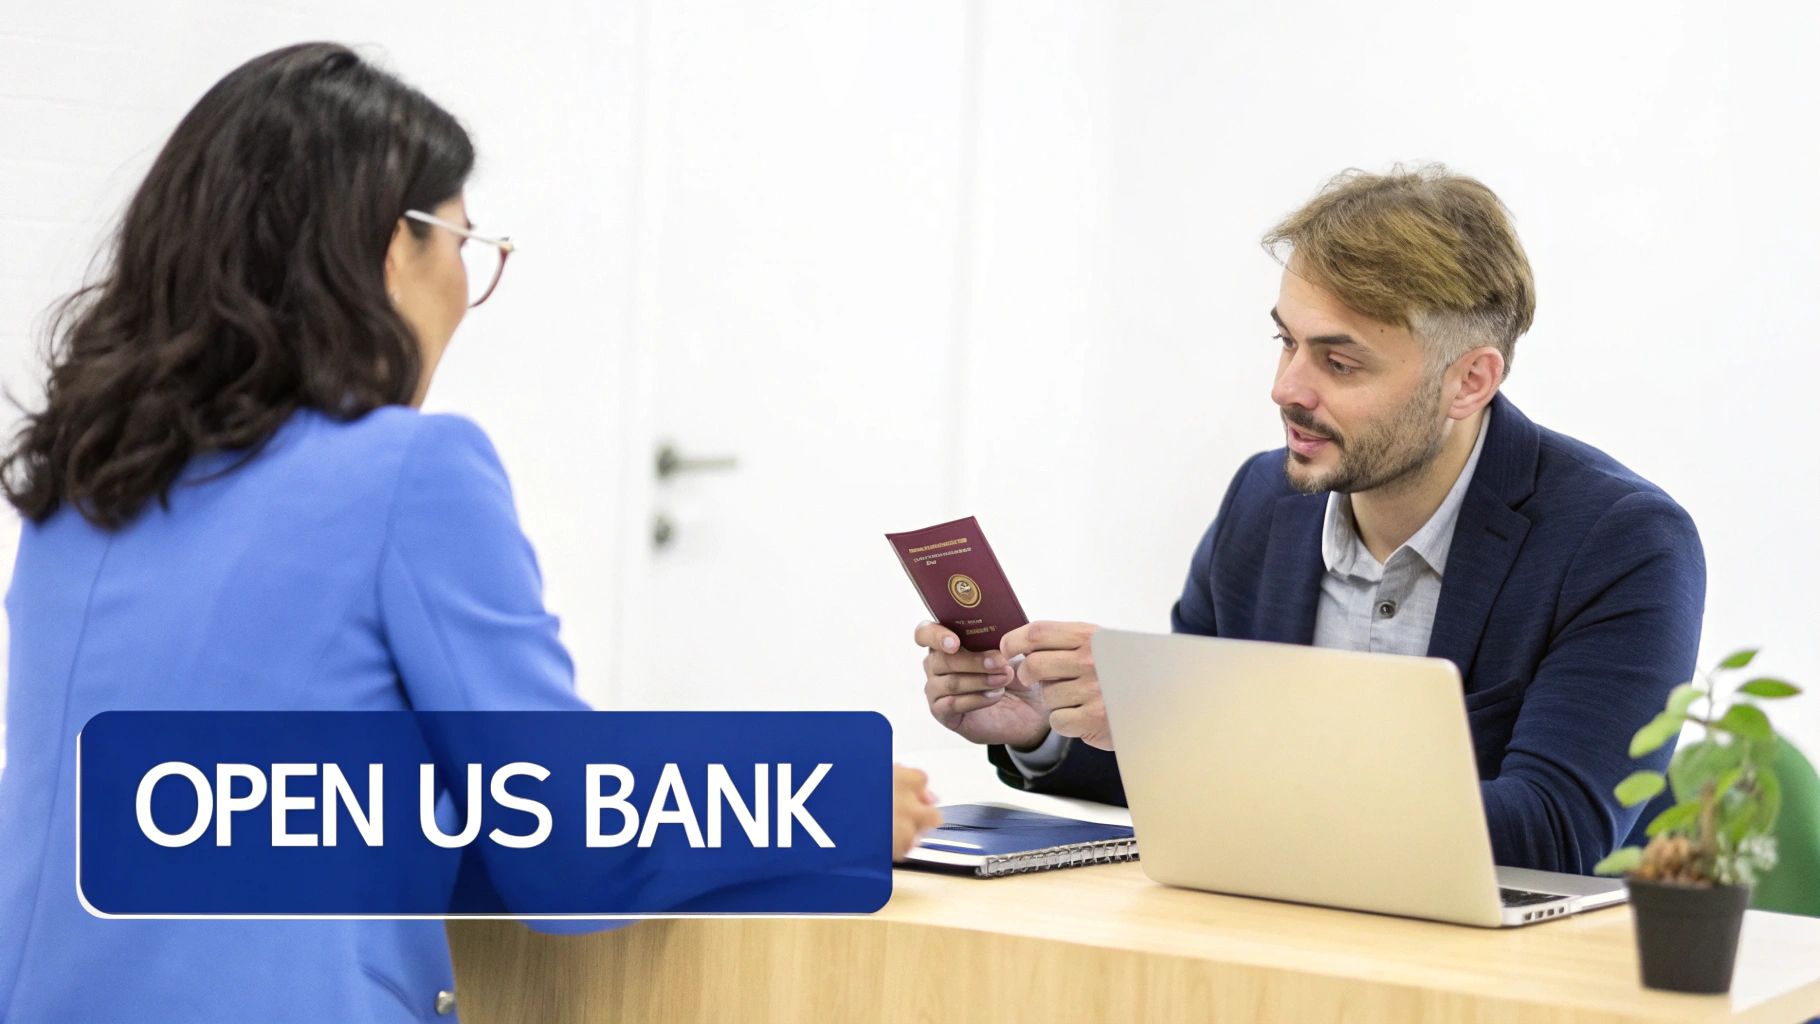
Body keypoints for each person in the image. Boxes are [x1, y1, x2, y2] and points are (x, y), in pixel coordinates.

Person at [0, 43, 935, 1023]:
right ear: (389, 247)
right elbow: (572, 857)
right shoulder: (410, 470)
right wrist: (816, 801)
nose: (463, 289)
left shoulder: (81, 480)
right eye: (462, 245)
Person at [916, 166, 1705, 876]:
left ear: (1470, 381)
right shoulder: (1264, 506)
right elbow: (1190, 782)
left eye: (1339, 361)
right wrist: (1044, 726)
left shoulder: (1623, 542)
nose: (1286, 388)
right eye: (1285, 341)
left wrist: (1205, 728)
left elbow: (1553, 832)